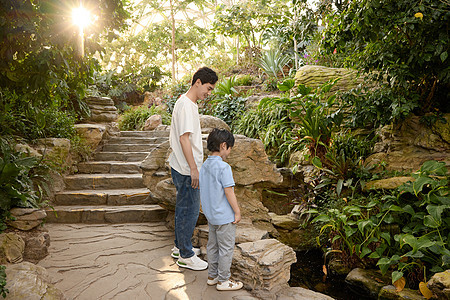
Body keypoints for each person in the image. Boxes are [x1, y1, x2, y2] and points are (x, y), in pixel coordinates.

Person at [168, 66, 218, 271]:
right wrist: (194, 169)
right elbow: (184, 139)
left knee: (183, 208)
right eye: (208, 88)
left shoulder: (184, 102)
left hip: (180, 166)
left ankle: (179, 247)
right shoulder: (187, 106)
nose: (209, 92)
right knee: (189, 212)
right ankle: (186, 256)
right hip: (187, 169)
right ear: (198, 82)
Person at [199, 128, 244, 291]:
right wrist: (237, 211)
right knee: (226, 249)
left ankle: (212, 276)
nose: (230, 151)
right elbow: (228, 191)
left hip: (211, 216)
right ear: (224, 145)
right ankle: (223, 280)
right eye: (230, 147)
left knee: (212, 246)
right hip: (225, 217)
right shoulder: (224, 168)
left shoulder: (204, 166)